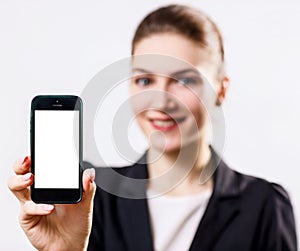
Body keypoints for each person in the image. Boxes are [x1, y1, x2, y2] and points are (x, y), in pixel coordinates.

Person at [7, 4, 297, 251]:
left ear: (221, 89)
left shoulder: (264, 206)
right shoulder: (95, 199)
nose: (161, 100)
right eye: (145, 81)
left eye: (184, 81)